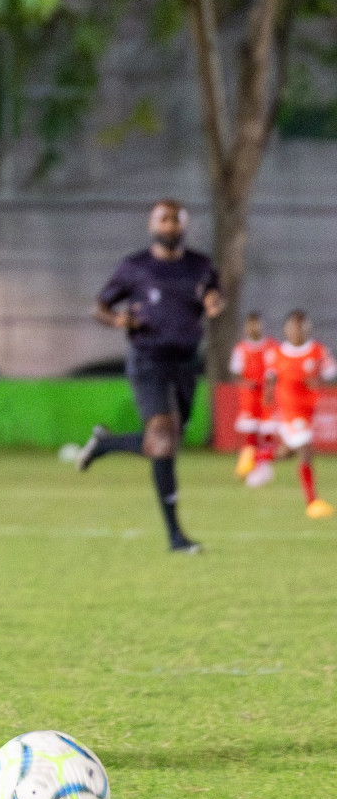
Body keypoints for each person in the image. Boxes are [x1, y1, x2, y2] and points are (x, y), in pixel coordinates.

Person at [75, 199, 223, 553]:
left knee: (169, 442)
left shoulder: (201, 266)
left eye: (176, 220)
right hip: (148, 360)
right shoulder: (135, 267)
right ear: (151, 225)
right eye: (163, 219)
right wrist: (117, 320)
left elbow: (215, 297)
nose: (170, 226)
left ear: (184, 225)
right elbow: (100, 306)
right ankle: (175, 536)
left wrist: (216, 305)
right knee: (162, 440)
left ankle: (105, 444)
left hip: (186, 362)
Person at [265, 310, 335, 518]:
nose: (296, 331)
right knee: (306, 450)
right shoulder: (277, 353)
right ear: (286, 329)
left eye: (300, 326)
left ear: (307, 328)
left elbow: (330, 373)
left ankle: (258, 456)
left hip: (308, 410)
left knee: (286, 452)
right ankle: (312, 502)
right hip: (290, 410)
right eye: (292, 326)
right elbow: (270, 380)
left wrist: (318, 380)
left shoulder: (317, 351)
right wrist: (268, 402)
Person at [229, 311, 278, 485]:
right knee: (250, 435)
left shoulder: (271, 346)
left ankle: (263, 468)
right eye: (250, 324)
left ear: (262, 325)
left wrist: (270, 388)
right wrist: (246, 383)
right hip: (249, 398)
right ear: (245, 327)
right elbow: (236, 373)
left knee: (267, 433)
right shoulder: (241, 348)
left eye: (256, 323)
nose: (253, 327)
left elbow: (275, 372)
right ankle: (249, 467)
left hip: (266, 397)